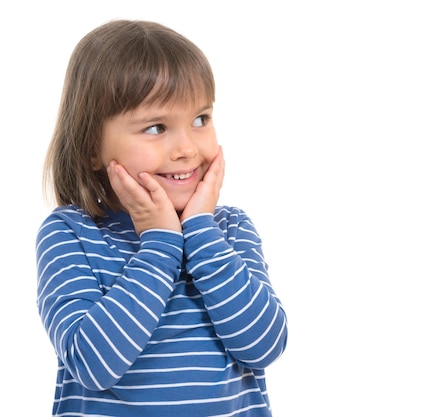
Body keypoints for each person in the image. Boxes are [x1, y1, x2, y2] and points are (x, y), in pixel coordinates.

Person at [35, 19, 288, 417]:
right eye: (156, 127)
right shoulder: (71, 233)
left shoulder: (229, 229)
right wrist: (159, 243)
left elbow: (264, 345)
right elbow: (91, 363)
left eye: (201, 119)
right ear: (90, 148)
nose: (187, 148)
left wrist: (201, 233)